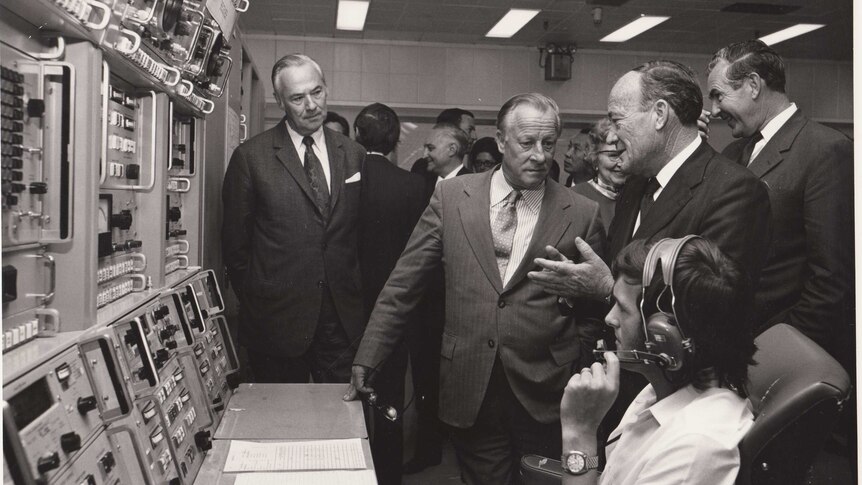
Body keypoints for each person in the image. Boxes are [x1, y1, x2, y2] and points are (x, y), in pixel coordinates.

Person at [346, 93, 607, 485]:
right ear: (500, 141)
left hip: (547, 391)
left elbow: (594, 308)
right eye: (527, 143)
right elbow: (404, 283)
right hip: (471, 384)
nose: (540, 155)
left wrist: (571, 362)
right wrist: (369, 356)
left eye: (548, 144)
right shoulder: (452, 198)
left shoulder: (582, 213)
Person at [527, 60, 771, 456]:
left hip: (680, 407)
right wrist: (580, 284)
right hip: (625, 390)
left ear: (659, 115)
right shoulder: (637, 183)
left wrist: (604, 287)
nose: (611, 136)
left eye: (618, 119)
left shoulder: (733, 191)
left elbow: (709, 312)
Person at [559, 236, 756, 484]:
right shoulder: (658, 393)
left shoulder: (694, 449)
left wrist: (580, 433)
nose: (610, 318)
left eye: (622, 308)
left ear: (666, 337)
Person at [706, 40, 853, 370]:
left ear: (754, 85)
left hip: (783, 357)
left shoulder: (825, 150)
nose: (714, 110)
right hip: (733, 351)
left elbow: (830, 281)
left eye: (718, 95)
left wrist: (776, 355)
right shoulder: (732, 155)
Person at [222, 54, 366, 384]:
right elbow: (235, 247)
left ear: (326, 89)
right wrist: (265, 299)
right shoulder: (252, 158)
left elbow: (358, 237)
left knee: (340, 421)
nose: (311, 105)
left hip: (340, 324)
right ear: (280, 101)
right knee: (281, 424)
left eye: (317, 92)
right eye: (298, 98)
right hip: (276, 323)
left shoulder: (353, 154)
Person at [355, 102, 427, 485]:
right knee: (390, 399)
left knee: (345, 395)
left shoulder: (344, 183)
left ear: (355, 135)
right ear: (397, 140)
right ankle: (387, 475)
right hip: (397, 311)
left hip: (348, 308)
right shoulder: (415, 186)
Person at [572, 118, 626, 233]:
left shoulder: (640, 196)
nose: (621, 163)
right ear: (595, 157)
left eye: (626, 154)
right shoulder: (574, 196)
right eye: (613, 155)